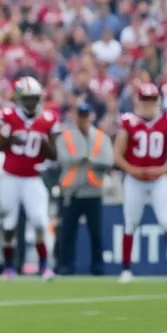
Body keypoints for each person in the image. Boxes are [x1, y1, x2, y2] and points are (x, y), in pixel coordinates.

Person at [0, 77, 60, 278]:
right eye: (28, 98)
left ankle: (45, 265)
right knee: (10, 222)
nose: (31, 103)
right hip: (10, 177)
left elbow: (54, 155)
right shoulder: (7, 117)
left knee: (39, 220)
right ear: (19, 98)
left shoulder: (47, 119)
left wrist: (44, 142)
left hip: (33, 177)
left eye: (34, 98)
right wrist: (9, 136)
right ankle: (9, 266)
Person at [113, 82, 167, 282]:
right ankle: (126, 269)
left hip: (159, 179)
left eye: (150, 100)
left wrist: (161, 169)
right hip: (135, 180)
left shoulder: (165, 121)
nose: (147, 104)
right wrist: (132, 170)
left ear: (157, 101)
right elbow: (117, 154)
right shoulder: (128, 121)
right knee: (131, 222)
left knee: (166, 220)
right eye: (144, 100)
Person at [55, 101, 112, 276]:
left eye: (86, 116)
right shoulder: (65, 137)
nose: (83, 119)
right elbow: (64, 158)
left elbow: (109, 161)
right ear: (75, 117)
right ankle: (65, 265)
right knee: (67, 232)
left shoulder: (101, 137)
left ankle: (97, 266)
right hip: (72, 191)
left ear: (91, 117)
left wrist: (90, 161)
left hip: (93, 190)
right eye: (80, 116)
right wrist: (84, 158)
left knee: (95, 233)